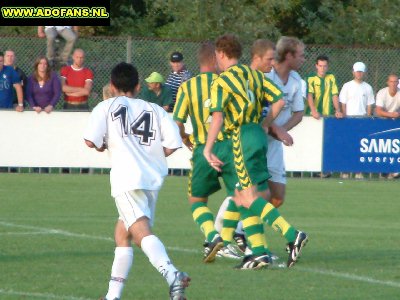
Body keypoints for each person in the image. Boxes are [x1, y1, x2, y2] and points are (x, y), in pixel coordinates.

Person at [84, 62, 190, 300]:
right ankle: (112, 296)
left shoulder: (105, 106)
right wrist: (149, 156)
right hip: (151, 179)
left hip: (126, 179)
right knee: (123, 234)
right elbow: (173, 144)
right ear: (139, 85)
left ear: (111, 86)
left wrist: (103, 145)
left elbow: (91, 141)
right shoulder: (156, 109)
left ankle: (172, 275)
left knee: (140, 231)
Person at [204, 34, 308, 269]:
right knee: (243, 196)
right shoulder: (253, 75)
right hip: (258, 136)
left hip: (241, 136)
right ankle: (258, 252)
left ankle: (292, 235)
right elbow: (279, 98)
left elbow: (218, 116)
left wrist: (208, 149)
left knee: (248, 196)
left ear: (220, 54)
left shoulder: (222, 80)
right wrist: (265, 125)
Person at [173, 42, 242, 262]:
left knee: (197, 201)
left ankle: (212, 235)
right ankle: (232, 240)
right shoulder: (229, 82)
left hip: (204, 148)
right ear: (215, 59)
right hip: (231, 147)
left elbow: (177, 122)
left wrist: (185, 137)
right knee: (240, 196)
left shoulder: (188, 86)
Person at [264, 36, 305, 208]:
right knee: (254, 193)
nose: (304, 59)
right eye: (301, 55)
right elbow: (257, 112)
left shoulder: (296, 80)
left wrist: (281, 130)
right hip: (257, 140)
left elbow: (299, 113)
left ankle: (240, 228)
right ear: (289, 56)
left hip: (274, 145)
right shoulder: (266, 76)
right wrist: (274, 129)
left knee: (277, 198)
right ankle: (235, 229)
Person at [339, 62, 375, 179]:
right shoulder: (347, 86)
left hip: (362, 120)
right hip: (349, 120)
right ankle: (345, 171)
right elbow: (343, 103)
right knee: (347, 145)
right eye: (357, 71)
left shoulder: (368, 87)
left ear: (364, 73)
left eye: (361, 71)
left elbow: (370, 105)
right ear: (353, 72)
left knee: (360, 146)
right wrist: (345, 117)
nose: (359, 73)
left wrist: (367, 118)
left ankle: (358, 171)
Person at [375, 73, 400, 179]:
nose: (393, 84)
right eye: (391, 81)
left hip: (396, 123)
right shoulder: (382, 93)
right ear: (387, 82)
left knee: (395, 146)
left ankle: (395, 170)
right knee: (382, 146)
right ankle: (383, 170)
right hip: (382, 123)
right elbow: (378, 111)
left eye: (395, 82)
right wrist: (392, 115)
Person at [306, 55, 343, 119]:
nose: (322, 69)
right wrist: (313, 111)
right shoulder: (310, 78)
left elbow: (335, 95)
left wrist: (337, 110)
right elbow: (309, 95)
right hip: (312, 115)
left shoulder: (331, 77)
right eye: (320, 66)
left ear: (327, 67)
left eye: (324, 66)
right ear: (316, 66)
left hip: (328, 114)